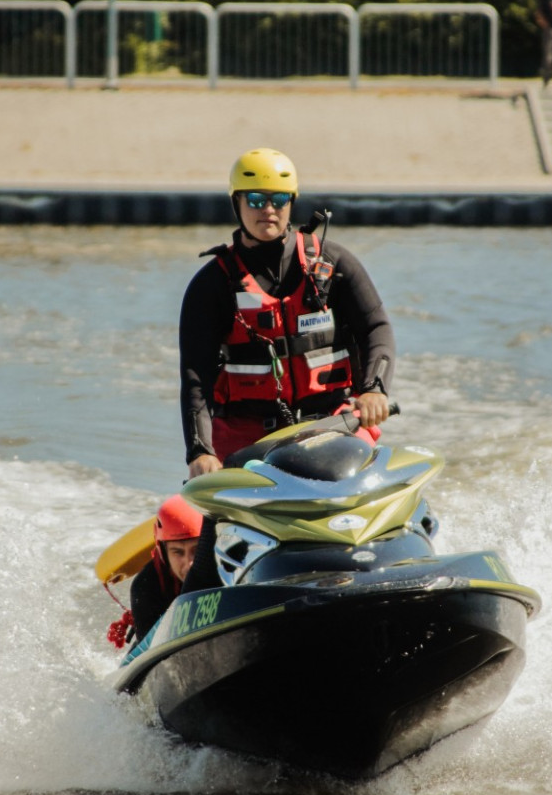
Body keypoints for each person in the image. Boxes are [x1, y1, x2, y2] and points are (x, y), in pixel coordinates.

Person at [178, 146, 396, 592]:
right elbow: (195, 378)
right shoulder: (212, 285)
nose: (268, 210)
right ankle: (189, 611)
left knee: (382, 510)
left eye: (278, 199)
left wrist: (374, 390)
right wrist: (200, 451)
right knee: (213, 542)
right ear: (236, 204)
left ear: (292, 203)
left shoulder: (332, 265)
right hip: (249, 445)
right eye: (255, 200)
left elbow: (377, 328)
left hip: (336, 428)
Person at [107, 494, 203, 646]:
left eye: (197, 550)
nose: (189, 563)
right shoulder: (146, 586)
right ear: (163, 552)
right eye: (178, 552)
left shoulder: (229, 565)